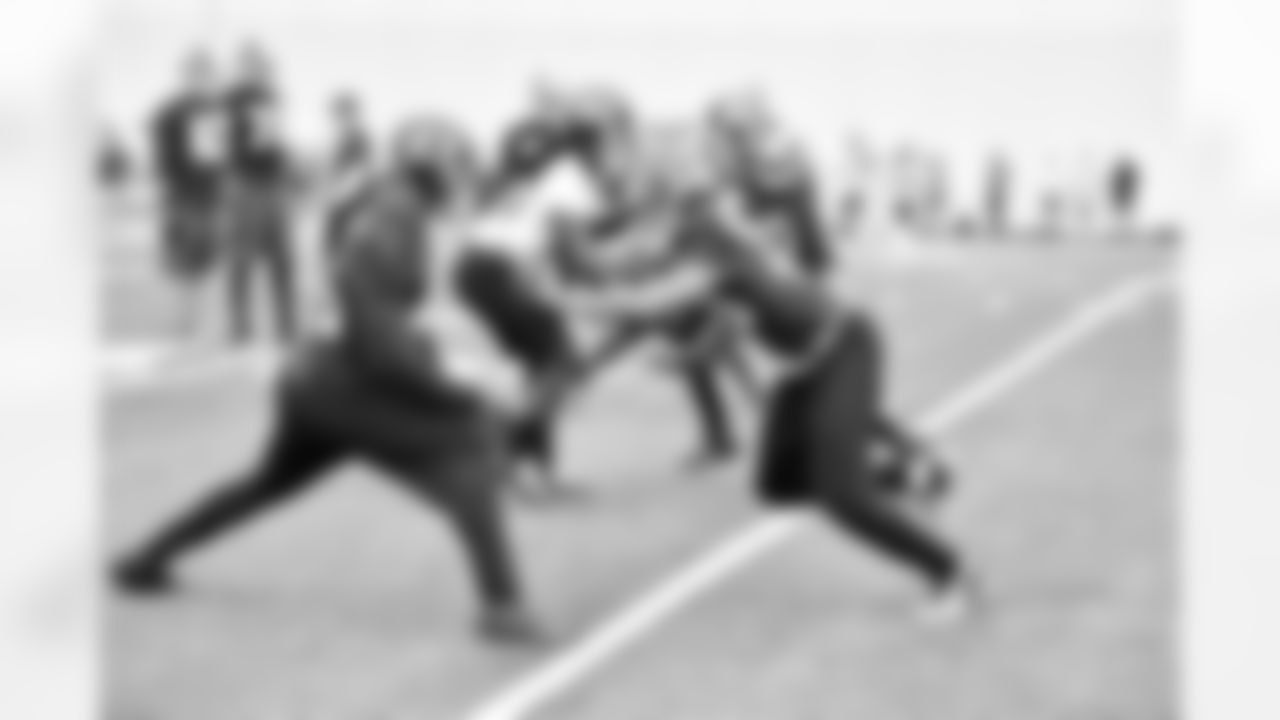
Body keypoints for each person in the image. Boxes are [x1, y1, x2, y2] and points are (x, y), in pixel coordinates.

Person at [111, 115, 542, 645]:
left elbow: (376, 312)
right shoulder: (396, 218)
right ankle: (503, 605)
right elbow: (377, 332)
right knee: (470, 450)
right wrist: (457, 391)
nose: (464, 180)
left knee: (266, 483)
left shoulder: (383, 203)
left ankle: (143, 560)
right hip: (345, 383)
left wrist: (429, 358)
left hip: (315, 375)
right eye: (458, 168)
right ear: (434, 169)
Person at [557, 124, 976, 618]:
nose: (632, 190)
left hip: (842, 347)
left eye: (644, 179)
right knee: (779, 483)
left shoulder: (706, 234)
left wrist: (568, 299)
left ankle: (948, 572)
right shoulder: (695, 226)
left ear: (666, 187)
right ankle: (913, 475)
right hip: (804, 367)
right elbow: (725, 310)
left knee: (842, 495)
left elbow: (653, 300)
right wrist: (690, 355)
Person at [222, 41, 298, 345]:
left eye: (264, 65)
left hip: (273, 185)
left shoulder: (272, 97)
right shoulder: (231, 98)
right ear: (245, 66)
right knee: (241, 258)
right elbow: (220, 145)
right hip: (245, 184)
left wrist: (286, 173)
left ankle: (286, 325)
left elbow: (274, 144)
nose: (262, 70)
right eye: (254, 64)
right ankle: (240, 326)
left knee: (283, 257)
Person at [149, 50, 226, 344]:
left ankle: (194, 327)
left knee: (203, 264)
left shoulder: (211, 111)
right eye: (200, 73)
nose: (205, 80)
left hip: (206, 199)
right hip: (182, 197)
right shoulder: (171, 112)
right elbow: (163, 162)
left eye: (208, 74)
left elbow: (215, 160)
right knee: (182, 264)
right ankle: (183, 327)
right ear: (188, 75)